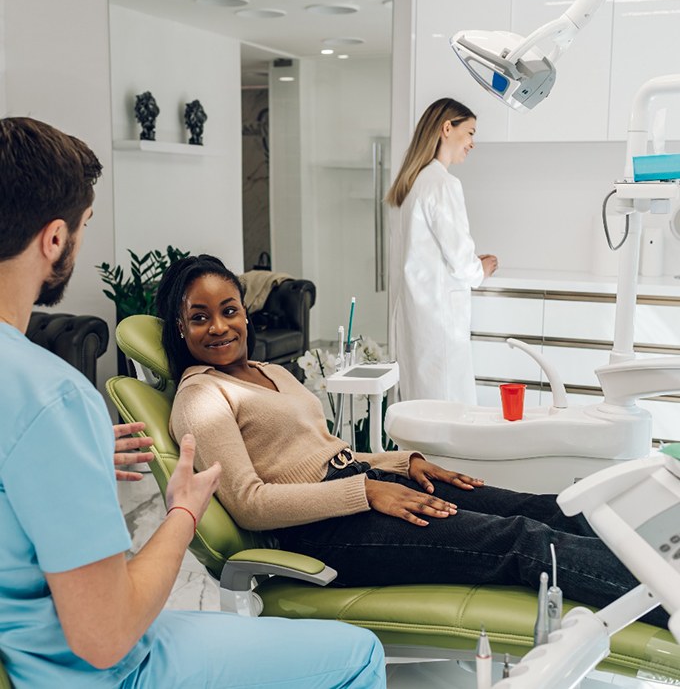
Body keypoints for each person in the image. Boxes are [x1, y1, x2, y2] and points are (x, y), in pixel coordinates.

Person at [0, 117, 386, 689]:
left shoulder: (39, 414)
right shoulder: (51, 397)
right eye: (83, 227)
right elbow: (106, 637)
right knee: (360, 654)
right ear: (54, 238)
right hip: (97, 673)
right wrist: (182, 509)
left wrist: (54, 462)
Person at [158, 254, 667, 629]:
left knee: (545, 508)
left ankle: (667, 556)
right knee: (518, 540)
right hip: (321, 529)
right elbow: (249, 503)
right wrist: (366, 492)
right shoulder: (201, 396)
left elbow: (324, 452)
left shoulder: (271, 372)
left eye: (229, 310)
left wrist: (404, 464)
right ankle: (666, 597)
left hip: (363, 488)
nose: (220, 326)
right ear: (180, 329)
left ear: (246, 312)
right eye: (200, 317)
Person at [385, 97, 498, 404]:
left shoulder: (412, 184)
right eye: (471, 132)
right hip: (439, 321)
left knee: (421, 410)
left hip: (415, 319)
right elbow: (462, 262)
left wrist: (470, 262)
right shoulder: (442, 184)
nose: (473, 142)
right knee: (449, 413)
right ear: (448, 128)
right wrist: (481, 269)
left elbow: (426, 253)